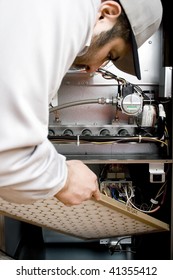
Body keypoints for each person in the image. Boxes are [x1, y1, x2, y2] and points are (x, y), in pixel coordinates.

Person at [0, 0, 163, 205]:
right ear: (107, 12)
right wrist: (65, 179)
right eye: (110, 53)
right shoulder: (64, 14)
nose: (93, 69)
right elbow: (9, 156)